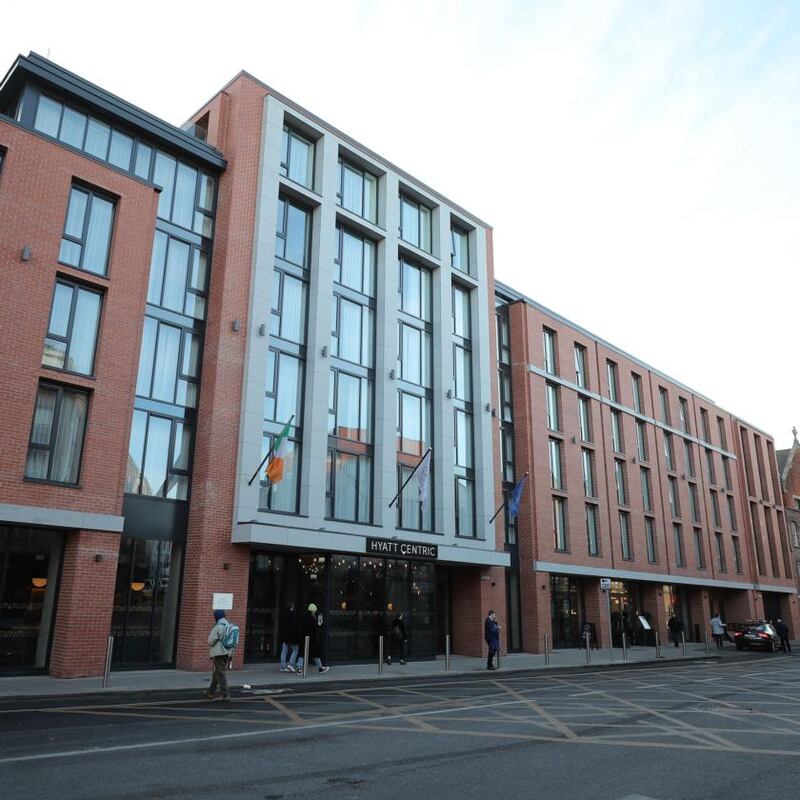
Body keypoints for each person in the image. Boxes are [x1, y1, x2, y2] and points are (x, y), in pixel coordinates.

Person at [205, 609, 232, 701]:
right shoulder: (229, 626)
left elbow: (210, 641)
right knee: (216, 673)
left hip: (219, 652)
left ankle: (226, 694)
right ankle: (210, 692)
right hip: (227, 652)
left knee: (220, 673)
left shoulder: (218, 627)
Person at [296, 603, 330, 675]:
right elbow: (315, 628)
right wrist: (319, 624)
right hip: (311, 638)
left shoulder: (303, 616)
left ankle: (299, 668)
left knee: (302, 653)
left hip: (303, 637)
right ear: (313, 610)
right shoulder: (312, 617)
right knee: (315, 654)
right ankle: (320, 668)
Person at [279, 601, 300, 673]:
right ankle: (290, 664)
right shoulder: (293, 615)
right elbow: (294, 626)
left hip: (284, 636)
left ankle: (282, 667)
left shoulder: (283, 614)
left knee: (284, 652)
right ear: (292, 607)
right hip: (291, 636)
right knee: (296, 649)